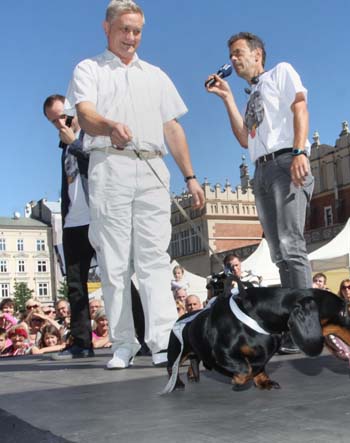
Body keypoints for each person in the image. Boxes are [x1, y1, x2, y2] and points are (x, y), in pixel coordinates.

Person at [65, 0, 205, 369]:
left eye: (137, 31)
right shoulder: (89, 68)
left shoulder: (156, 75)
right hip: (109, 164)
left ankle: (160, 341)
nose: (131, 37)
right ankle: (123, 343)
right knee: (113, 261)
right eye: (124, 29)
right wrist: (110, 125)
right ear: (107, 28)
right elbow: (84, 114)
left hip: (153, 166)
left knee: (154, 259)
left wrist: (190, 176)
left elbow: (173, 127)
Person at [207, 31, 312, 354]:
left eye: (239, 53)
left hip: (284, 161)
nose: (234, 60)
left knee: (292, 245)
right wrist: (227, 97)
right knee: (278, 250)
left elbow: (300, 106)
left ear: (257, 54)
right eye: (232, 55)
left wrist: (299, 152)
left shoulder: (281, 72)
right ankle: (291, 324)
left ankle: (306, 323)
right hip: (262, 170)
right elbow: (244, 138)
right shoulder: (252, 94)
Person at [43, 94, 95, 360]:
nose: (60, 123)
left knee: (118, 277)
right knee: (75, 285)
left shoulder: (90, 134)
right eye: (54, 121)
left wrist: (73, 142)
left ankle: (143, 337)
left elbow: (95, 169)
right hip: (73, 223)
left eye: (63, 116)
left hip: (97, 219)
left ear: (73, 110)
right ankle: (82, 344)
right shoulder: (64, 146)